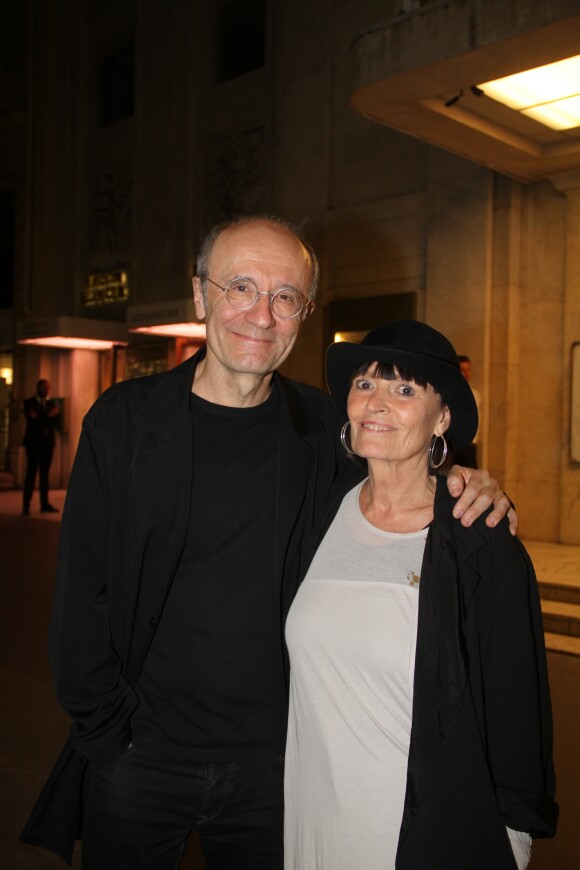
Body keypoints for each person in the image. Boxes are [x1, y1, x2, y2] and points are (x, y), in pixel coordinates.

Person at [21, 217, 514, 869]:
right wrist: (110, 734)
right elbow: (81, 599)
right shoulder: (125, 423)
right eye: (241, 287)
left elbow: (401, 455)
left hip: (278, 768)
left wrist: (463, 480)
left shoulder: (323, 428)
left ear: (304, 313)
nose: (262, 313)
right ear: (200, 296)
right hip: (141, 757)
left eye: (286, 296)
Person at [284, 320, 557, 870]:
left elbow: (515, 704)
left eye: (405, 389)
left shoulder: (478, 540)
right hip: (312, 820)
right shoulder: (317, 509)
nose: (376, 402)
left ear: (444, 417)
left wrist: (511, 841)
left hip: (423, 830)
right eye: (365, 384)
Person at [22, 378, 60, 515]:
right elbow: (33, 422)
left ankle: (45, 503)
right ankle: (26, 504)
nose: (46, 390)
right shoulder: (29, 403)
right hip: (33, 443)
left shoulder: (50, 403)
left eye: (48, 388)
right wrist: (48, 416)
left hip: (47, 444)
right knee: (31, 473)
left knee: (45, 475)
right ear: (39, 388)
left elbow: (55, 421)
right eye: (44, 388)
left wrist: (43, 417)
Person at [454, 354, 480, 467]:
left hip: (469, 444)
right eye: (463, 370)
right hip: (454, 444)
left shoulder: (475, 394)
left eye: (468, 370)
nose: (466, 374)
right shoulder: (451, 392)